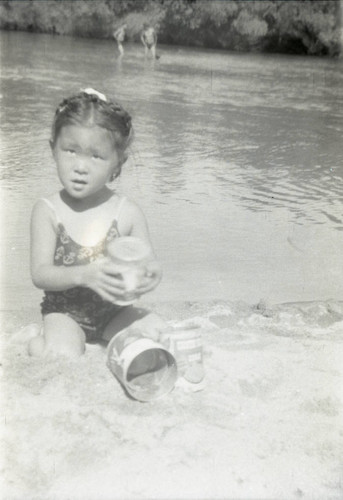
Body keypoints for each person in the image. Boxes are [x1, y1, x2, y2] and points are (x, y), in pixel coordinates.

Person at [28, 88, 167, 358]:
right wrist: (85, 274)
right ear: (53, 149)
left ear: (118, 163)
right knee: (61, 355)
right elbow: (40, 274)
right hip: (65, 313)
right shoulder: (47, 211)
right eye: (71, 151)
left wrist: (150, 274)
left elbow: (149, 263)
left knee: (159, 334)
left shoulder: (127, 212)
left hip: (115, 311)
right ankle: (37, 341)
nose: (81, 166)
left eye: (96, 156)